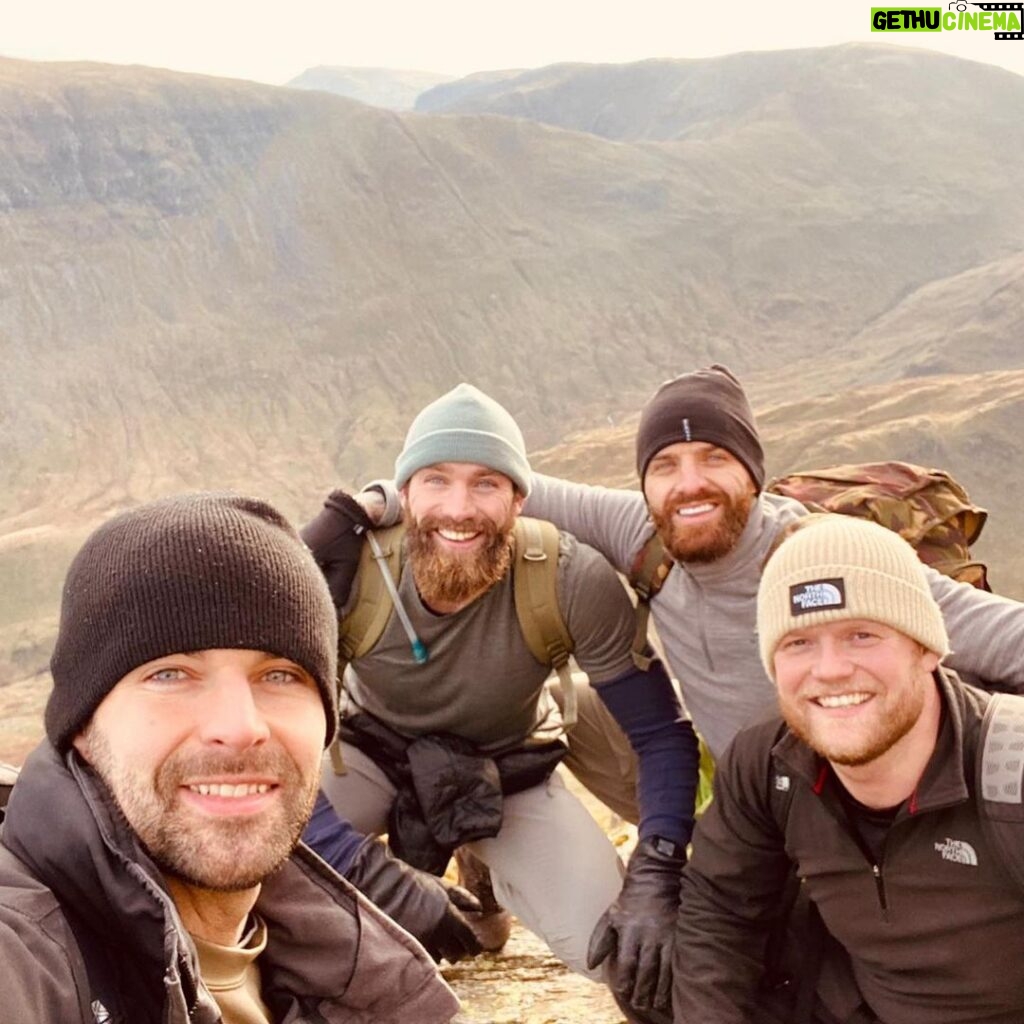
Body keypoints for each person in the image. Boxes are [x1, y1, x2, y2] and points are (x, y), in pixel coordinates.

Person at [301, 383, 700, 1021]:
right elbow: (268, 746)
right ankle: (463, 864)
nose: (459, 509)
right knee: (260, 870)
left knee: (623, 957)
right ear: (404, 494)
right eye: (436, 481)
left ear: (520, 497)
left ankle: (481, 862)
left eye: (487, 484)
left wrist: (656, 867)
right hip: (369, 753)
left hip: (507, 767)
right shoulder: (351, 572)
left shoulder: (568, 578)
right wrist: (364, 869)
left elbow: (659, 733)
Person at [0, 494, 459, 1024]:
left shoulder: (344, 971)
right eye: (170, 674)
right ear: (81, 726)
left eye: (281, 675)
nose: (241, 728)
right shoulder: (23, 960)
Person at [523, 364, 1024, 761]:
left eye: (716, 458)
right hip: (747, 791)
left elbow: (1003, 635)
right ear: (647, 484)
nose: (690, 483)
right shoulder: (645, 533)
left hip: (849, 796)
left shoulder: (824, 554)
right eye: (666, 465)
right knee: (578, 709)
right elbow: (511, 484)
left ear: (754, 476)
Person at [672, 513, 1024, 1024]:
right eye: (799, 642)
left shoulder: (1009, 772)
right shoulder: (769, 764)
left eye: (862, 635)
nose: (831, 669)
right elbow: (720, 912)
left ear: (926, 648)